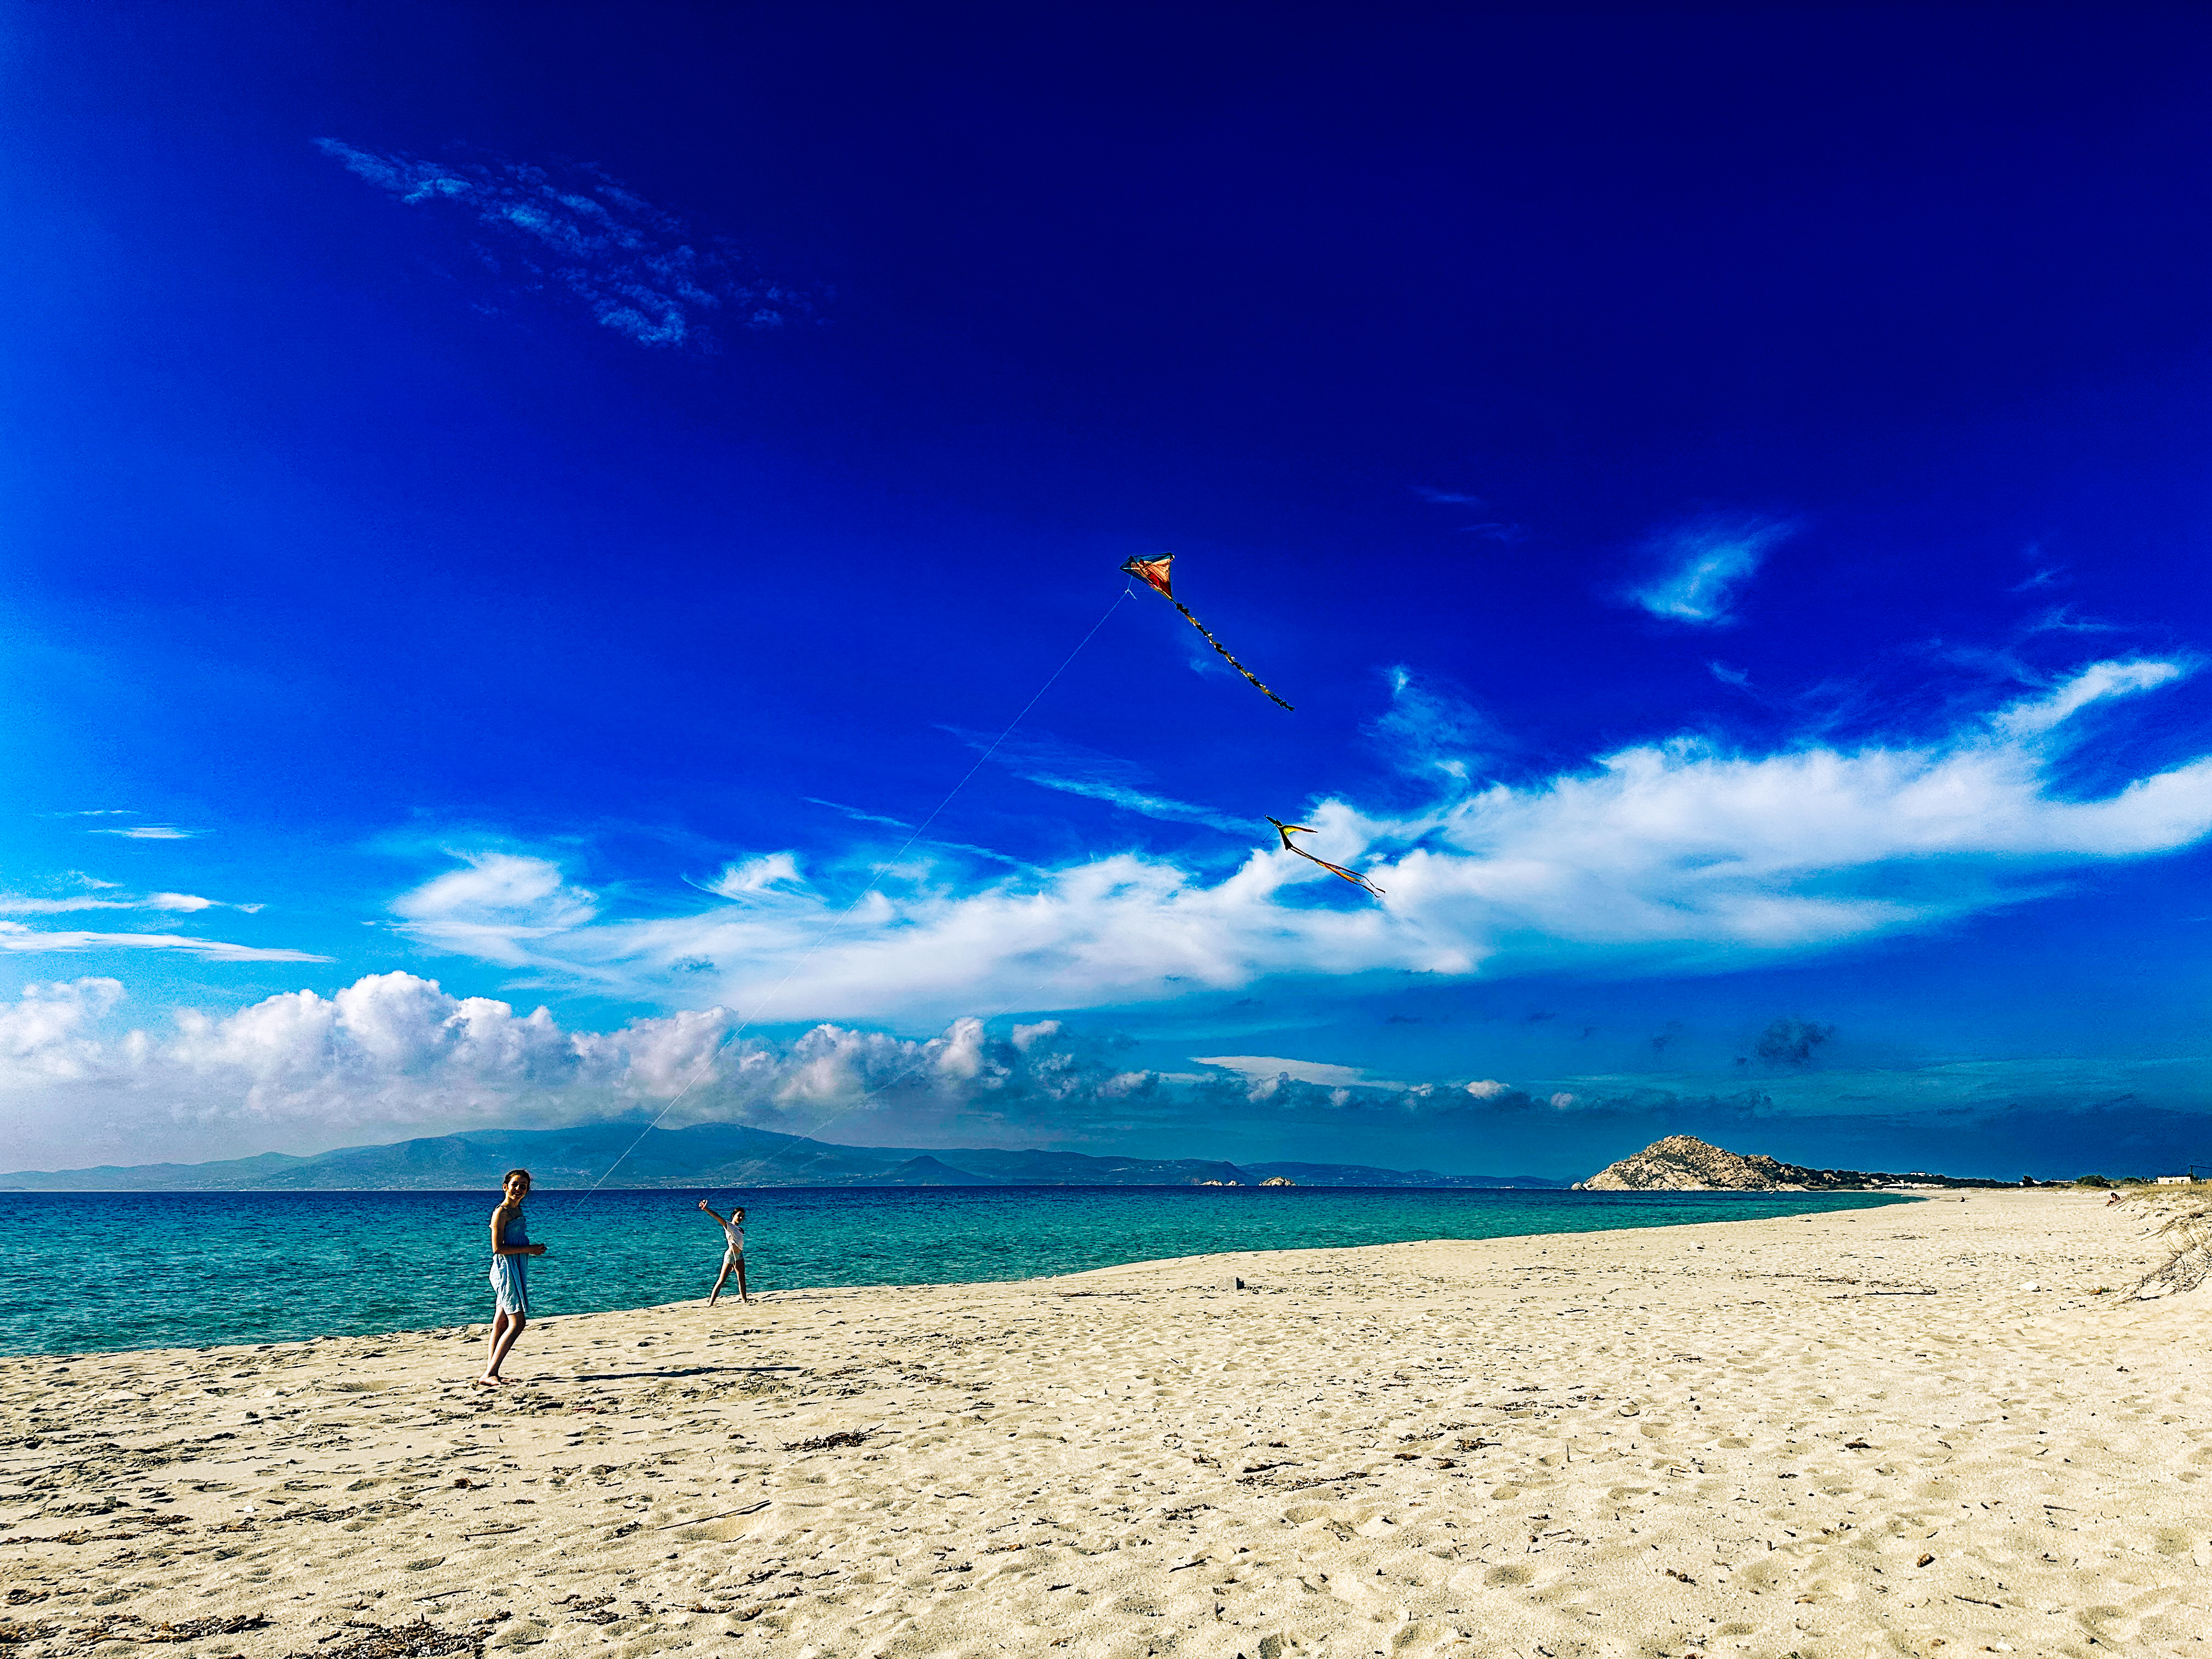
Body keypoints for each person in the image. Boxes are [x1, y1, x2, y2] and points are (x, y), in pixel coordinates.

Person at [478, 1169, 546, 1387]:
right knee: (518, 1323)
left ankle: (491, 1372)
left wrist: (529, 1250)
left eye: (523, 1186)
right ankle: (491, 1373)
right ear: (505, 1186)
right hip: (505, 1270)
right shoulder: (502, 1212)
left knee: (500, 1323)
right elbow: (497, 1248)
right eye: (515, 1184)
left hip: (516, 1267)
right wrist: (530, 1249)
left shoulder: (518, 1211)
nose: (519, 1189)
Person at [697, 1199, 750, 1305]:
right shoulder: (728, 1226)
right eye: (739, 1215)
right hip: (731, 1256)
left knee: (742, 1279)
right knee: (722, 1280)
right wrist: (706, 1209)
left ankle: (745, 1301)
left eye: (743, 1216)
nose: (741, 1218)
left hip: (739, 1255)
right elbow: (717, 1217)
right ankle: (711, 1303)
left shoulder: (739, 1229)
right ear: (733, 1215)